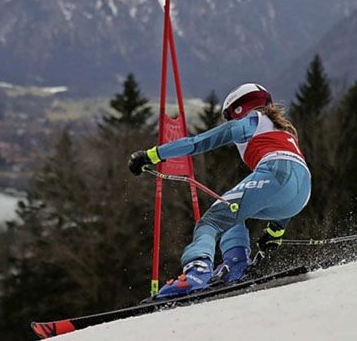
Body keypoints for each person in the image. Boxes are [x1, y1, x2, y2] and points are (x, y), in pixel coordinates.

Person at [128, 83, 311, 299]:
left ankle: (196, 272)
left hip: (275, 173)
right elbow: (293, 180)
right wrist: (276, 231)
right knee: (232, 215)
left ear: (239, 109)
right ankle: (236, 269)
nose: (229, 122)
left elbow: (197, 143)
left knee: (210, 222)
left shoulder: (251, 121)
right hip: (302, 193)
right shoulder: (284, 132)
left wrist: (152, 155)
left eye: (229, 117)